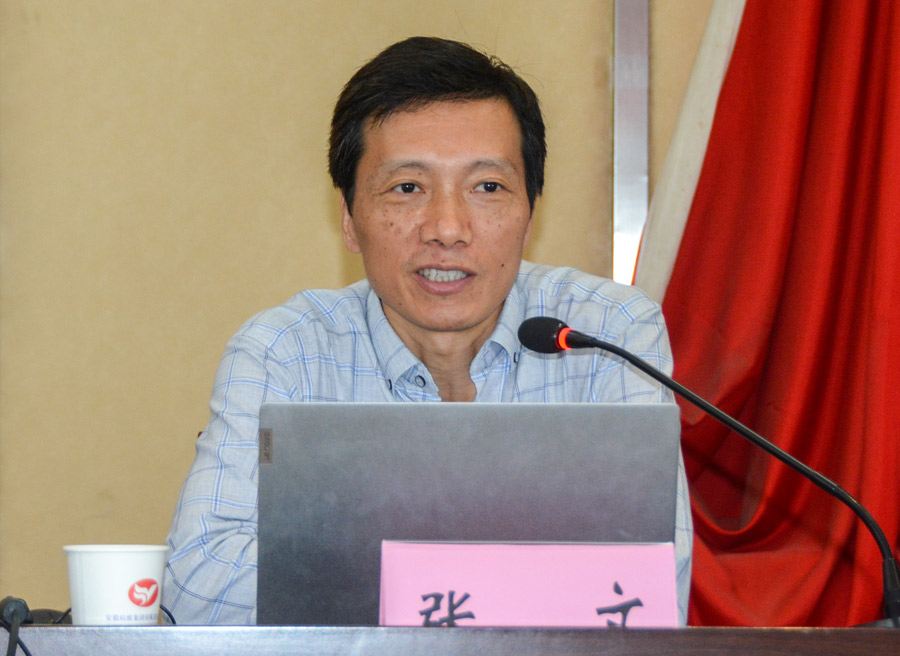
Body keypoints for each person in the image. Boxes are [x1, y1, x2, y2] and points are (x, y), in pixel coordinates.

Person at [162, 36, 692, 625]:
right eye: (407, 187)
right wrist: (513, 580)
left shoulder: (605, 335)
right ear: (349, 217)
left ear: (529, 214)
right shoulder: (285, 352)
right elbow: (199, 589)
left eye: (487, 187)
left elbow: (649, 589)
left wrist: (353, 567)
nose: (447, 227)